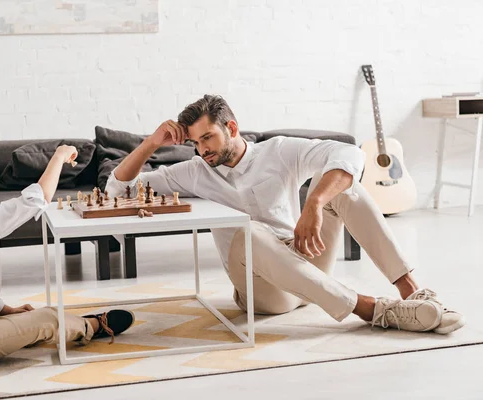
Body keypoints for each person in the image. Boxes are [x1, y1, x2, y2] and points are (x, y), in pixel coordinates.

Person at [106, 94, 465, 334]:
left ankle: (413, 293)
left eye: (208, 139)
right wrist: (152, 143)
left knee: (346, 189)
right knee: (247, 232)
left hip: (307, 266)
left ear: (231, 128)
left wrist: (314, 202)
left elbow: (349, 155)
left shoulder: (278, 151)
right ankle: (374, 310)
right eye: (196, 143)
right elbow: (117, 191)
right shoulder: (194, 171)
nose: (202, 150)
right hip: (265, 295)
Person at [0, 145, 135, 367]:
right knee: (48, 318)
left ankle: (51, 325)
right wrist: (59, 156)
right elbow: (36, 199)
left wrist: (6, 310)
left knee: (26, 315)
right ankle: (92, 326)